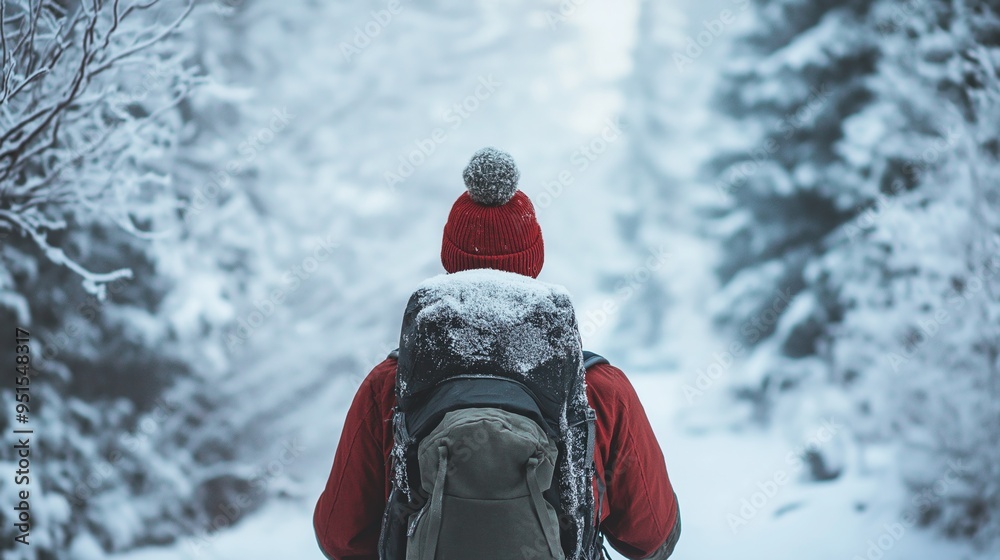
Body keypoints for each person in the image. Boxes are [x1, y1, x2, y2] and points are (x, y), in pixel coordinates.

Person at [314, 148, 681, 560]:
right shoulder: (596, 388)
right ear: (534, 260)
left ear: (449, 259)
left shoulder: (389, 384)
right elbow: (651, 537)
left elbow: (339, 536)